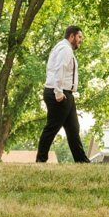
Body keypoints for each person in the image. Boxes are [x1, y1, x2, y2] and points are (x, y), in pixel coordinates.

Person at [35, 26, 91, 163]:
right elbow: (59, 69)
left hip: (65, 93)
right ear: (71, 36)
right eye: (79, 37)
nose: (80, 40)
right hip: (59, 93)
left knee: (73, 128)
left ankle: (82, 161)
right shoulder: (65, 49)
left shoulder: (63, 48)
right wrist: (58, 92)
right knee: (52, 127)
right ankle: (40, 160)